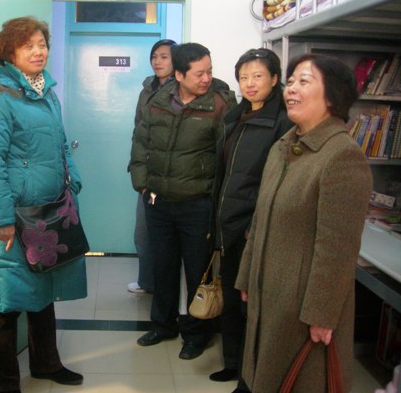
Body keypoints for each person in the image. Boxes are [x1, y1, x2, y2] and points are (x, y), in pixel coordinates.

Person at [234, 54, 373, 392]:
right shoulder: (284, 146)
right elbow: (261, 219)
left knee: (296, 380)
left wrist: (322, 314)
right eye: (292, 80)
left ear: (332, 97)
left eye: (304, 81)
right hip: (270, 292)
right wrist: (247, 274)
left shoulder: (341, 156)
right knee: (263, 376)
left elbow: (337, 249)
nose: (291, 89)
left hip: (301, 308)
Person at [0, 16, 87, 393]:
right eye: (28, 46)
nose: (39, 51)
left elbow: (61, 143)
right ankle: (7, 383)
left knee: (43, 289)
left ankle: (46, 364)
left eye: (42, 44)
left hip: (50, 212)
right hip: (15, 217)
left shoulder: (46, 92)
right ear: (9, 52)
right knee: (5, 301)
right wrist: (2, 218)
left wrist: (72, 181)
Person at [129, 42, 237, 360]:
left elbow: (228, 157)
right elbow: (141, 141)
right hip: (158, 201)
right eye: (199, 73)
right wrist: (141, 183)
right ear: (179, 74)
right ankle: (162, 325)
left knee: (197, 272)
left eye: (209, 71)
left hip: (197, 204)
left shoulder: (219, 105)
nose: (206, 78)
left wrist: (216, 199)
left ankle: (196, 334)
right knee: (162, 266)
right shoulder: (157, 100)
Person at [209, 48, 293, 391]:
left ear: (274, 79)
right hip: (228, 225)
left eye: (258, 75)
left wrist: (252, 227)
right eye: (243, 77)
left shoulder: (283, 122)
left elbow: (277, 182)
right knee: (231, 299)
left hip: (253, 231)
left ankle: (250, 376)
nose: (249, 83)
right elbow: (225, 174)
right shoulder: (234, 116)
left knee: (251, 306)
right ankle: (232, 364)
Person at [128, 38, 177, 294]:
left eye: (164, 57)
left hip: (171, 173)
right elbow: (139, 129)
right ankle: (148, 282)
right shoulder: (147, 88)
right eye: (154, 56)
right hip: (147, 172)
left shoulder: (180, 88)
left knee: (164, 235)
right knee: (143, 232)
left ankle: (164, 288)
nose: (157, 61)